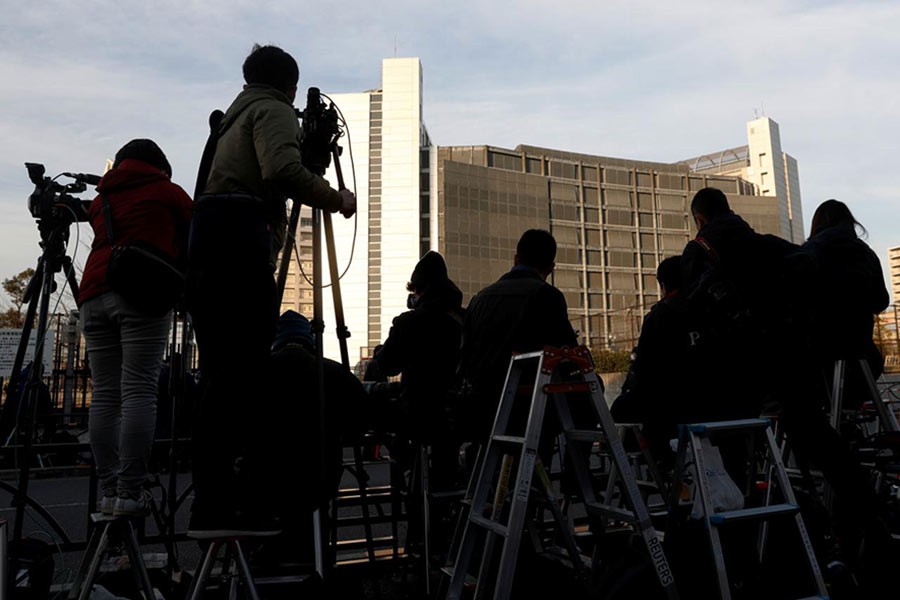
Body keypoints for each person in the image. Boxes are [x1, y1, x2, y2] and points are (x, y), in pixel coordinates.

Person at [186, 44, 356, 532]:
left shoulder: (232, 119)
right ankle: (245, 500)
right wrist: (334, 198)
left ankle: (213, 500)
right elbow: (282, 170)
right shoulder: (273, 109)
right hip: (239, 242)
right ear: (290, 85)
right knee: (245, 371)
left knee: (220, 375)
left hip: (209, 244)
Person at [780, 199, 892, 592]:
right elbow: (881, 301)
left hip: (822, 363)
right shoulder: (864, 252)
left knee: (806, 422)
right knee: (840, 427)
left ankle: (825, 504)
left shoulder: (811, 252)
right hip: (861, 361)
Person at [78, 139, 192, 517]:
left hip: (93, 295)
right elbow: (195, 231)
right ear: (160, 165)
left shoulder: (101, 199)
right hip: (141, 293)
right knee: (139, 389)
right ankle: (130, 490)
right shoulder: (167, 191)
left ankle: (109, 487)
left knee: (106, 395)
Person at [264, 310, 367, 563]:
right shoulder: (334, 372)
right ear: (309, 338)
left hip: (268, 476)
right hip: (320, 475)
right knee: (317, 534)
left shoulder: (258, 371)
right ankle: (319, 570)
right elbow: (360, 423)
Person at [459, 229, 578, 443]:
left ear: (515, 259)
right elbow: (567, 355)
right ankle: (574, 474)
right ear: (550, 268)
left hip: (479, 404)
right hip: (527, 406)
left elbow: (464, 353)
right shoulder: (547, 296)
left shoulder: (480, 298)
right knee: (586, 396)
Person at [611, 255, 692, 466]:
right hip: (707, 404)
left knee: (621, 408)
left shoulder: (659, 316)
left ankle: (653, 458)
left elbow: (643, 369)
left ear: (663, 285)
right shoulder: (708, 310)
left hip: (666, 409)